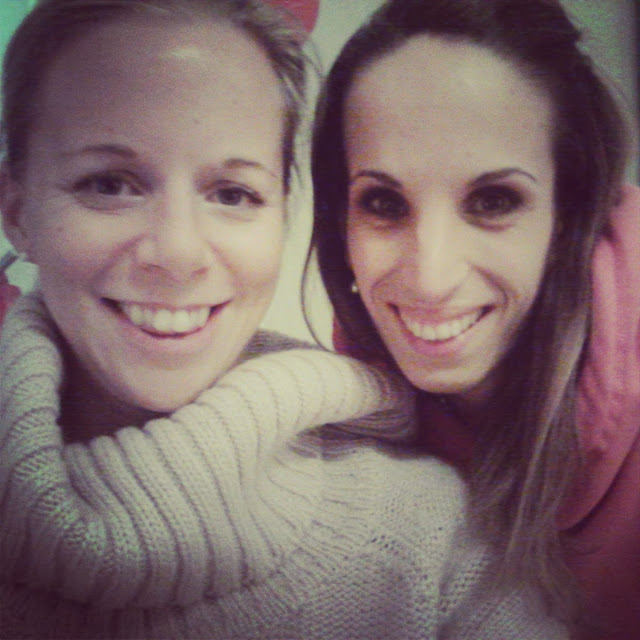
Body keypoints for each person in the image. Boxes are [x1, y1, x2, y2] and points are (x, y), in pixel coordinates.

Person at [0, 0, 569, 638]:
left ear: (285, 213)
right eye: (109, 184)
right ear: (17, 210)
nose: (179, 254)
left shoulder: (429, 532)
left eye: (233, 193)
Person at [309, 0, 638, 638]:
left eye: (493, 201)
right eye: (383, 203)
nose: (430, 279)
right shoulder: (357, 404)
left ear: (566, 215)